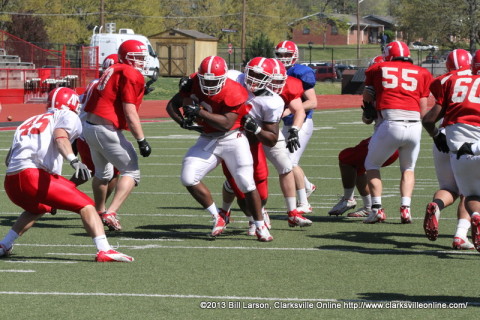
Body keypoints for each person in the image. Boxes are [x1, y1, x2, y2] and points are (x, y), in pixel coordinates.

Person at [0, 87, 133, 262]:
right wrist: (73, 160)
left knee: (37, 209)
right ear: (71, 103)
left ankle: (4, 244)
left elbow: (9, 160)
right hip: (33, 176)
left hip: (11, 181)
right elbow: (60, 135)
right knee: (87, 205)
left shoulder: (29, 121)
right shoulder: (68, 115)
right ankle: (104, 250)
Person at [166, 55, 273, 242]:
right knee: (188, 177)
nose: (208, 84)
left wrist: (199, 112)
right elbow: (171, 106)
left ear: (223, 78)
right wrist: (184, 123)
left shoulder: (235, 91)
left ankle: (260, 225)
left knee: (246, 183)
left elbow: (226, 123)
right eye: (205, 80)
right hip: (208, 139)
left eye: (213, 80)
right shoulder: (194, 83)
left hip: (233, 138)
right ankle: (218, 216)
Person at [219, 57, 312, 234]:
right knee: (236, 177)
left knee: (285, 166)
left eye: (278, 81)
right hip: (239, 133)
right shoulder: (237, 80)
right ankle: (233, 212)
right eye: (272, 80)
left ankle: (292, 211)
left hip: (268, 131)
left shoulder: (281, 92)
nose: (274, 85)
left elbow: (299, 109)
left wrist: (294, 130)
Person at [83, 40, 152, 232]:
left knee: (103, 173)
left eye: (141, 58)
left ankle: (98, 212)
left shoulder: (113, 68)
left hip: (89, 126)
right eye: (135, 58)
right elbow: (130, 112)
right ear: (124, 56)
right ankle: (111, 212)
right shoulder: (130, 73)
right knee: (131, 171)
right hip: (105, 129)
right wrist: (141, 140)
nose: (139, 62)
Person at [362, 41, 432, 224]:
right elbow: (423, 107)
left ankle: (377, 208)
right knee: (408, 168)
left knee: (371, 164)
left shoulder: (377, 68)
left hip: (391, 123)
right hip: (415, 124)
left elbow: (368, 96)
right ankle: (406, 209)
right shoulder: (423, 72)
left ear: (387, 54)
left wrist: (368, 112)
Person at [422, 49, 480, 252]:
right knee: (471, 192)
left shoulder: (448, 80)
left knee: (457, 189)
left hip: (450, 139)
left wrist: (438, 136)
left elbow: (429, 119)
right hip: (474, 141)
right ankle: (461, 233)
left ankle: (439, 208)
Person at [328, 55, 400, 218]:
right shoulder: (396, 90)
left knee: (345, 157)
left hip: (387, 138)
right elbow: (367, 119)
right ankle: (371, 207)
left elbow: (367, 119)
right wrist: (369, 112)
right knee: (359, 165)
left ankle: (349, 199)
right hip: (400, 138)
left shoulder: (380, 92)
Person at [275, 40, 317, 209]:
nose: (283, 58)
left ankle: (304, 203)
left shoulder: (300, 72)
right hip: (287, 123)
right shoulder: (276, 73)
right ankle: (307, 186)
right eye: (280, 55)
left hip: (302, 122)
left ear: (294, 56)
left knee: (290, 163)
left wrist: (289, 110)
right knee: (282, 159)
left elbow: (312, 102)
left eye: (287, 54)